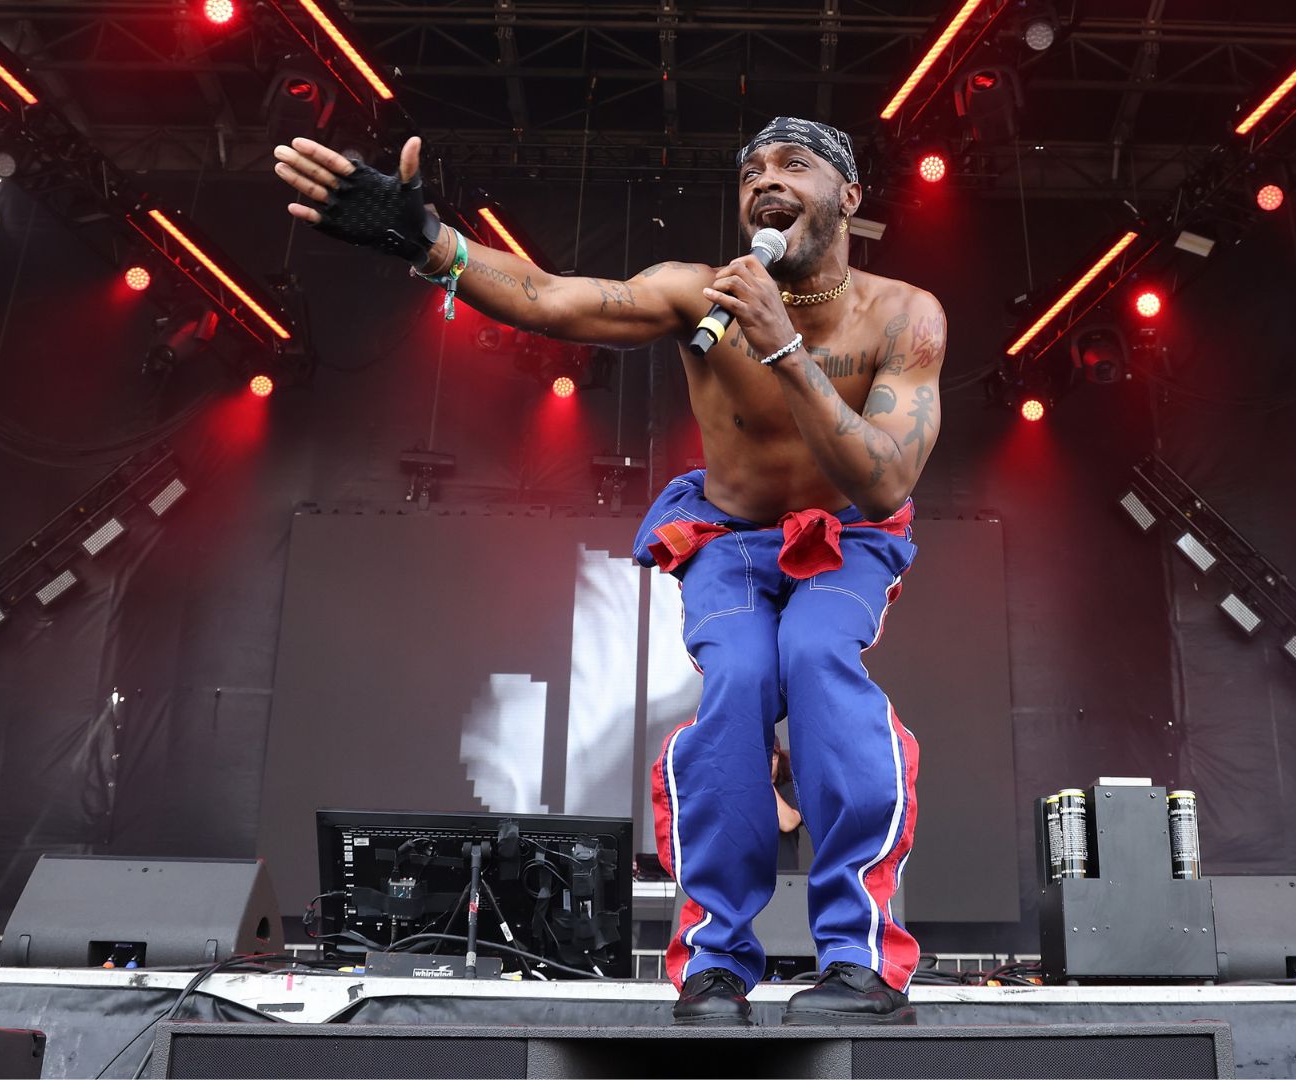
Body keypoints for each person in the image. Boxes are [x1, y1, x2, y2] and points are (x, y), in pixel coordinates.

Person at [271, 117, 946, 1026]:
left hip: (849, 537)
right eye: (751, 171)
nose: (766, 181)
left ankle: (861, 962)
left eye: (795, 165)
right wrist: (427, 241)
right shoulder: (696, 293)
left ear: (851, 198)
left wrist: (783, 346)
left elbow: (885, 478)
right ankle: (715, 962)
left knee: (820, 661)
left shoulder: (905, 315)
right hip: (731, 539)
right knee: (741, 679)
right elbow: (551, 297)